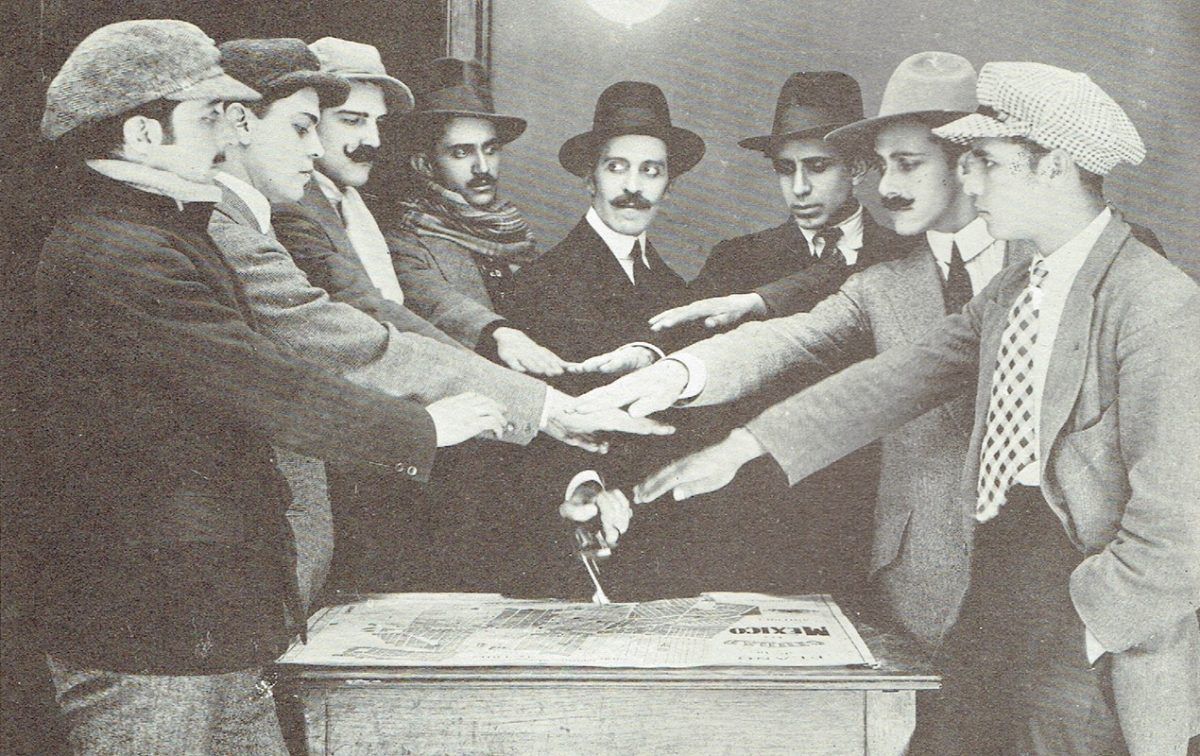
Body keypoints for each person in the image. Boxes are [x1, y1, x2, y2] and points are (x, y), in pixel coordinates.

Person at [585, 62, 1200, 754]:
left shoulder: (1155, 299)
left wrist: (1084, 631)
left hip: (1085, 633)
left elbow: (1180, 524)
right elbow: (893, 380)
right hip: (989, 606)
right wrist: (739, 446)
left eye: (986, 162)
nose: (969, 181)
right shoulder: (1013, 293)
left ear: (1052, 165)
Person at [31, 20, 500, 752]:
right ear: (141, 134)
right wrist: (424, 429)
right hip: (152, 631)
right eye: (207, 116)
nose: (228, 134)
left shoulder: (162, 232)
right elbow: (261, 383)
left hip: (208, 619)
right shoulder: (117, 250)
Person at [206, 39, 665, 600]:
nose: (369, 140)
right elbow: (373, 322)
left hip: (464, 481)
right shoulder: (300, 218)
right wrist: (525, 383)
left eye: (490, 150)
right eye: (340, 121)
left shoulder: (504, 240)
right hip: (386, 482)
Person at [274, 39, 565, 376]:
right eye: (352, 121)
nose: (374, 141)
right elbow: (382, 303)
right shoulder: (301, 207)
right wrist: (494, 350)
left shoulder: (353, 205)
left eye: (378, 124)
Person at [647, 70, 906, 331]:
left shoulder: (907, 252)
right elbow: (678, 333)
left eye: (817, 167)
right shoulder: (736, 259)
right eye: (785, 169)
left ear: (857, 169)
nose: (799, 187)